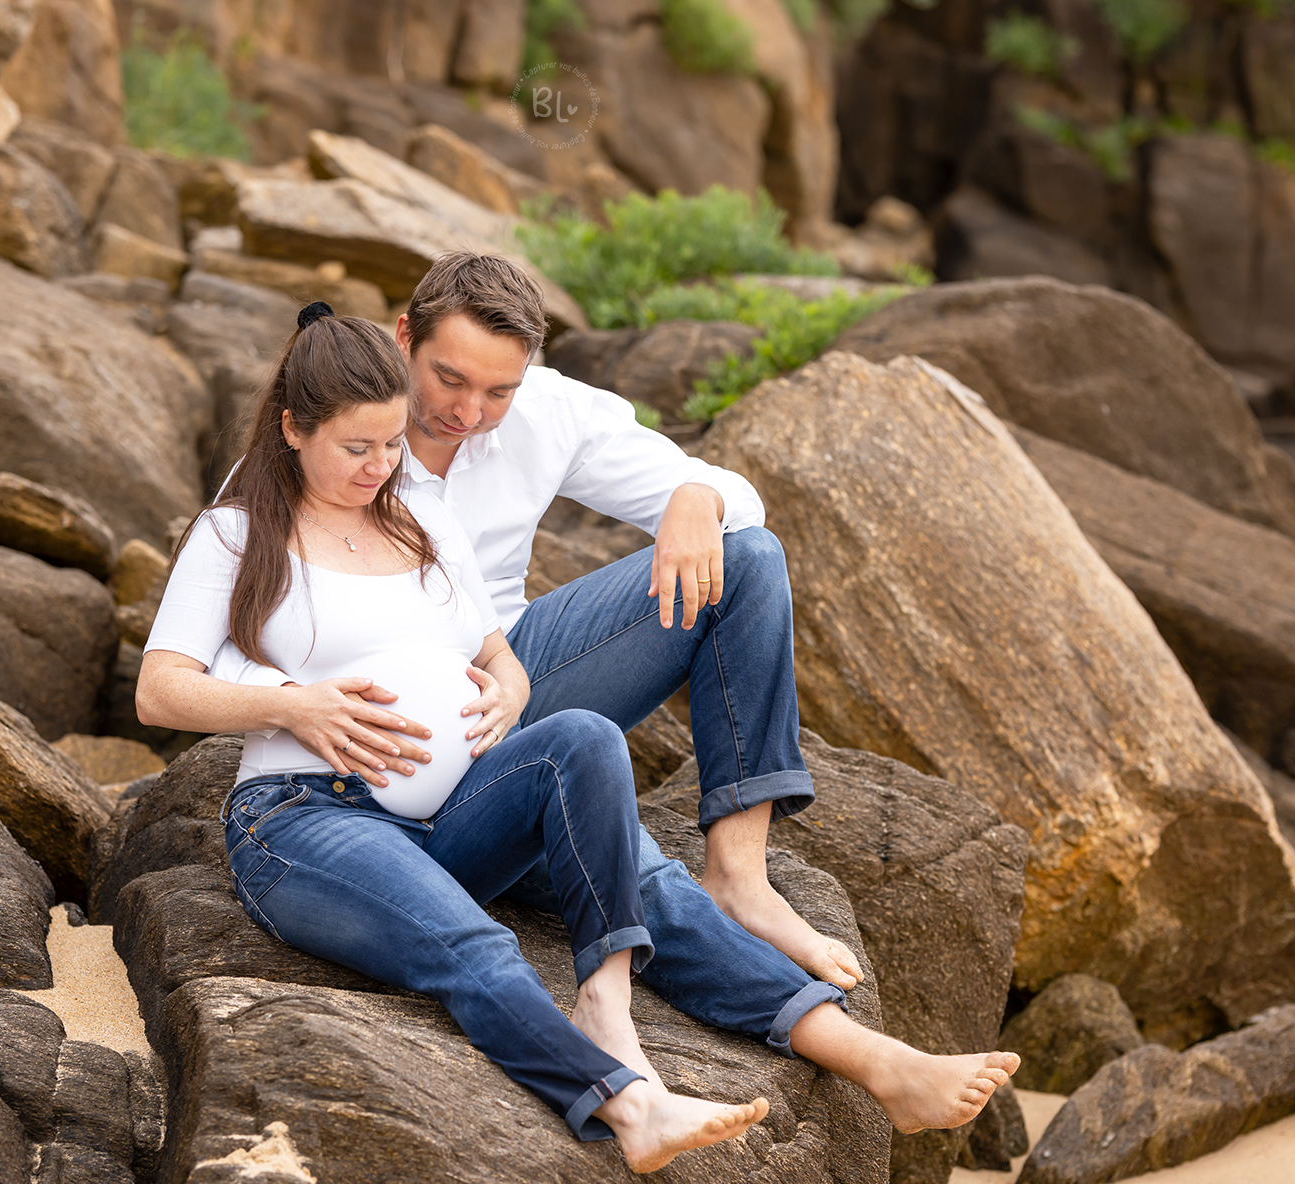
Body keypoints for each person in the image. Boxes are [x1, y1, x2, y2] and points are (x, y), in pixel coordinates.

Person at [136, 305, 1018, 1173]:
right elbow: (161, 688)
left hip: (456, 811)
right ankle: (629, 1103)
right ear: (293, 429)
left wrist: (509, 693)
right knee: (473, 943)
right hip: (309, 813)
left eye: (391, 445)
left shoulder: (420, 514)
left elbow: (495, 653)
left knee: (585, 738)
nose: (380, 468)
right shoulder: (238, 529)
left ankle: (774, 1036)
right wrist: (296, 706)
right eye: (356, 449)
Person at [202, 252, 863, 995]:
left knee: (748, 559)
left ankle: (739, 874)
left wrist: (695, 496)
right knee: (630, 863)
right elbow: (220, 645)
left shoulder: (549, 412)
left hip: (518, 679)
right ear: (402, 338)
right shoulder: (319, 455)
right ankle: (766, 1009)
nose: (468, 411)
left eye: (497, 391)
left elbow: (731, 497)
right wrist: (301, 707)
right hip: (390, 741)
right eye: (449, 378)